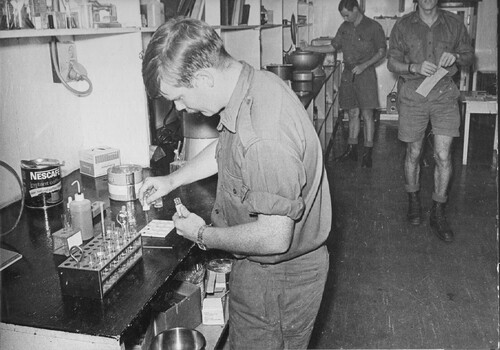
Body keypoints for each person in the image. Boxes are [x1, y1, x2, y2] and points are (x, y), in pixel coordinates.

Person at [139, 17, 332, 349]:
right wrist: (172, 179)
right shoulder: (253, 85)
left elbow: (274, 237)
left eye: (179, 97)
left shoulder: (265, 135)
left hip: (279, 281)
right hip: (264, 273)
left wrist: (202, 235)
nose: (180, 108)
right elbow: (227, 142)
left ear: (203, 78)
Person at [387, 0, 474, 242]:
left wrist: (455, 56)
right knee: (414, 152)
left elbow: (468, 56)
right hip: (414, 95)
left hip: (445, 95)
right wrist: (413, 66)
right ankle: (413, 199)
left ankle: (438, 211)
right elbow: (391, 62)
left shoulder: (454, 24)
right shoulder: (403, 26)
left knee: (443, 156)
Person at [301, 0, 386, 168]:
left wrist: (364, 65)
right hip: (348, 74)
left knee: (367, 115)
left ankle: (367, 153)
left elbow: (382, 52)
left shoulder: (373, 27)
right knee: (352, 114)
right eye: (343, 16)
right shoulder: (345, 27)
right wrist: (310, 47)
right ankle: (351, 150)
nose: (345, 18)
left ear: (356, 9)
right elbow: (332, 46)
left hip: (365, 73)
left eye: (347, 14)